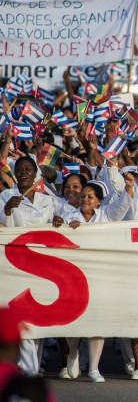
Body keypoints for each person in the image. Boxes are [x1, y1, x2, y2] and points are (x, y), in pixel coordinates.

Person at [62, 174, 136, 383]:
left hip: (99, 276)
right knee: (73, 320)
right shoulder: (68, 214)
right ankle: (73, 353)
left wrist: (129, 186)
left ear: (99, 201)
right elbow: (55, 231)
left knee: (97, 321)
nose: (85, 199)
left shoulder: (106, 214)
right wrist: (61, 224)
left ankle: (94, 368)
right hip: (74, 275)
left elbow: (122, 206)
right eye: (83, 196)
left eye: (90, 197)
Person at [0, 157, 63, 377]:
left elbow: (63, 217)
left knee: (38, 318)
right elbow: (4, 231)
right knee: (23, 316)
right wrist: (7, 211)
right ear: (15, 173)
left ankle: (34, 363)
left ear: (35, 172)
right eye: (19, 170)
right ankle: (29, 369)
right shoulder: (5, 196)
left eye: (28, 169)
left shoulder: (48, 200)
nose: (23, 173)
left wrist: (59, 220)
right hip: (17, 263)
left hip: (43, 265)